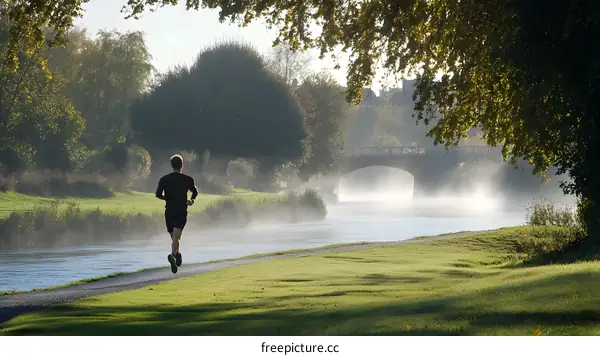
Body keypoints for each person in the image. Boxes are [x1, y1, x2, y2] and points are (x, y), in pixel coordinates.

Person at [155, 154, 198, 274]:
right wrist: (192, 200)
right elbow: (195, 191)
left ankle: (177, 255)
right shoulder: (187, 179)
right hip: (181, 211)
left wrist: (167, 198)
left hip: (169, 211)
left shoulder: (164, 179)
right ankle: (174, 255)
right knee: (176, 238)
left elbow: (158, 194)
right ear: (182, 165)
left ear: (171, 165)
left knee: (174, 238)